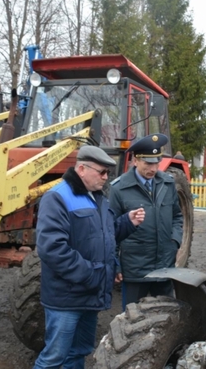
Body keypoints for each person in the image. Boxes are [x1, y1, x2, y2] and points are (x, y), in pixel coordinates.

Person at [33, 145, 145, 369]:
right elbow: (52, 249)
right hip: (66, 299)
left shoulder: (97, 198)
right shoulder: (57, 198)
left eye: (108, 173)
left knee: (78, 354)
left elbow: (104, 236)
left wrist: (126, 223)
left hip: (89, 295)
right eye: (102, 172)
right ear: (81, 169)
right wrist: (92, 275)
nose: (106, 178)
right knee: (54, 358)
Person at [109, 133, 183, 307]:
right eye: (148, 163)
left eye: (156, 162)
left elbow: (177, 216)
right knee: (131, 320)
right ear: (136, 160)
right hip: (135, 270)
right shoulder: (119, 189)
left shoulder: (167, 183)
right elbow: (111, 230)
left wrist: (174, 241)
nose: (153, 168)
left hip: (165, 267)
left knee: (167, 318)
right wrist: (115, 264)